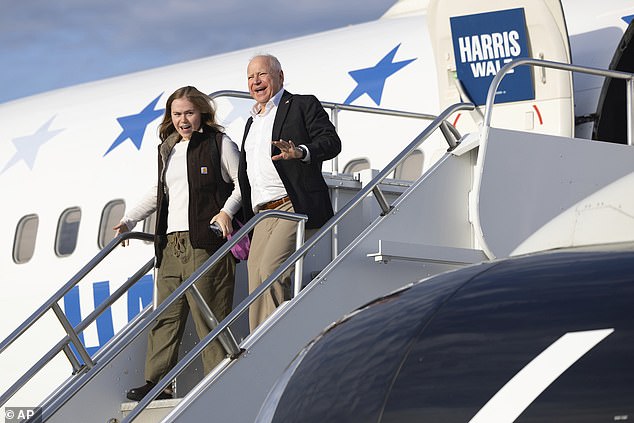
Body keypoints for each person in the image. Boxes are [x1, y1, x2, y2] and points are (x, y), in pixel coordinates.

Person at [113, 86, 241, 401]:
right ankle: (157, 383)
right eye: (176, 114)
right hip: (172, 244)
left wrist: (225, 212)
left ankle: (218, 380)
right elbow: (161, 193)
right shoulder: (168, 149)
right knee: (166, 316)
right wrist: (130, 219)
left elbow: (243, 184)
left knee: (209, 315)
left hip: (205, 242)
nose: (183, 120)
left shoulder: (219, 145)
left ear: (202, 114)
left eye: (189, 113)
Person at [238, 54, 341, 331]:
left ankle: (272, 337)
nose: (256, 82)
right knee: (256, 280)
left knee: (271, 271)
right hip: (262, 213)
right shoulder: (251, 121)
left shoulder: (301, 105)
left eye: (262, 75)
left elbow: (331, 142)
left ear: (280, 77)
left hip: (290, 204)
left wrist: (301, 152)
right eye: (250, 77)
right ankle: (256, 341)